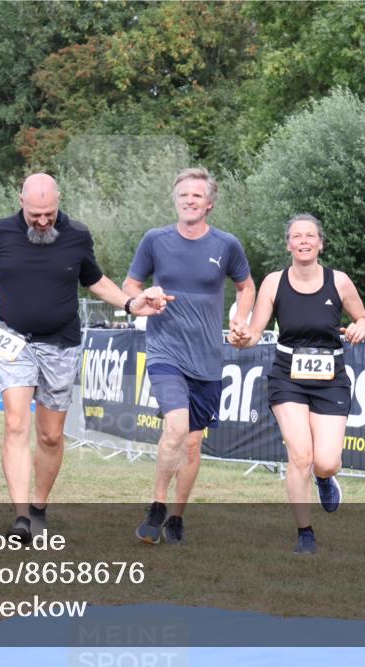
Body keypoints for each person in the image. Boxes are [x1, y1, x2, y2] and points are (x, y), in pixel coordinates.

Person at [0, 172, 169, 541]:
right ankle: (21, 517)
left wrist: (129, 303)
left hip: (62, 345)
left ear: (58, 201)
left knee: (51, 436)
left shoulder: (77, 235)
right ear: (21, 202)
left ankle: (40, 505)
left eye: (49, 213)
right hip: (13, 341)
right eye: (35, 215)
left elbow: (94, 279)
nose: (43, 221)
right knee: (15, 424)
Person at [124, 168, 255, 545]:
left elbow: (247, 287)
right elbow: (130, 286)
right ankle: (157, 505)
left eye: (197, 196)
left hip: (208, 358)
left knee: (193, 443)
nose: (189, 200)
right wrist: (144, 295)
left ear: (209, 204)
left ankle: (177, 517)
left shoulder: (227, 245)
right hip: (165, 350)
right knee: (176, 428)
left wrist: (240, 318)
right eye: (183, 195)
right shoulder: (155, 240)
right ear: (175, 200)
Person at [229, 214, 365, 555]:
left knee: (325, 461)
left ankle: (325, 479)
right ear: (288, 243)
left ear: (321, 243)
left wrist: (360, 329)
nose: (304, 241)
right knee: (300, 455)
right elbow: (256, 332)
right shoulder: (274, 282)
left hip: (330, 378)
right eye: (297, 236)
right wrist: (241, 338)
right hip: (287, 376)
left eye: (310, 236)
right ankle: (305, 531)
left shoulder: (339, 282)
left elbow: (363, 319)